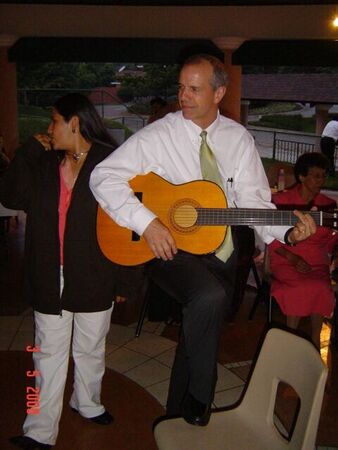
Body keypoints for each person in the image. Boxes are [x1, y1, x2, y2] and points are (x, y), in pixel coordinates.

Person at [90, 54, 316, 427]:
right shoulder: (160, 135)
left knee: (203, 320)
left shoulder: (238, 138)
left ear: (219, 92)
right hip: (167, 248)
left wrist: (288, 231)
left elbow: (253, 203)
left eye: (194, 89)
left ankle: (175, 416)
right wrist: (147, 224)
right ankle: (200, 396)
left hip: (220, 251)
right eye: (181, 87)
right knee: (208, 298)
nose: (184, 96)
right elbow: (104, 177)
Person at [0, 93, 131, 449]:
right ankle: (39, 431)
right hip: (48, 273)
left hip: (95, 273)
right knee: (45, 353)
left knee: (90, 347)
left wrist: (123, 279)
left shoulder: (111, 163)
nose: (48, 128)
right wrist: (27, 152)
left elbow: (128, 222)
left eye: (54, 120)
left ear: (75, 123)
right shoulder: (43, 162)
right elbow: (10, 197)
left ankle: (86, 403)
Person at [269, 152, 338, 349]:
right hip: (285, 257)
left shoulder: (328, 205)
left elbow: (329, 240)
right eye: (316, 175)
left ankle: (315, 341)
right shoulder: (282, 201)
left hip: (317, 262)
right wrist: (293, 258)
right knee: (300, 288)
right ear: (301, 176)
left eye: (323, 176)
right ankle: (291, 342)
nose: (321, 180)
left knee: (321, 287)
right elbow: (270, 238)